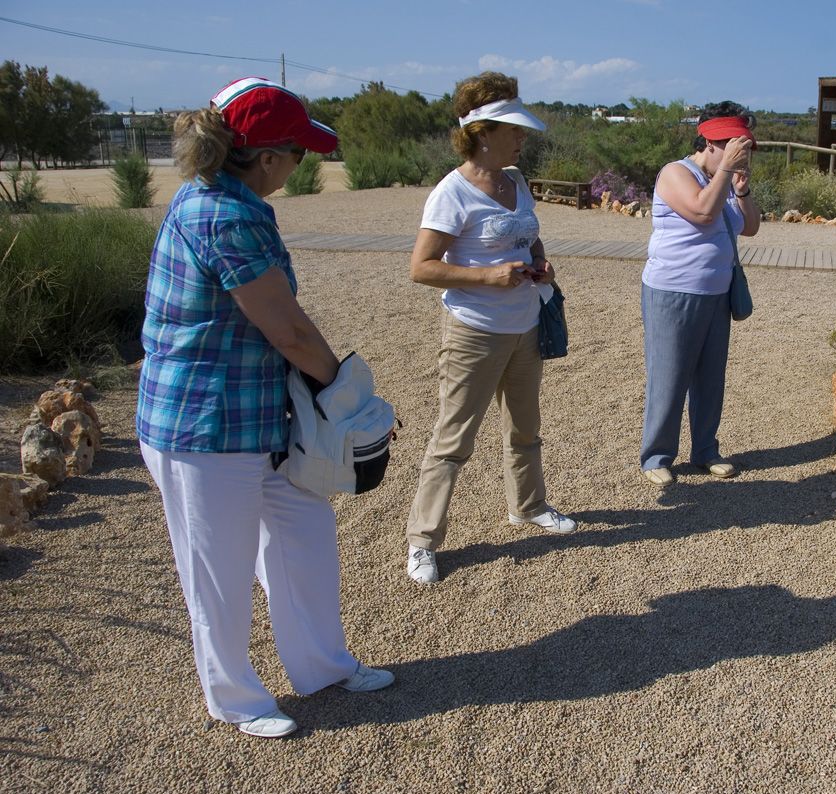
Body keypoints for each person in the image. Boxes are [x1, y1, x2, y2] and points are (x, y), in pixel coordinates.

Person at [137, 77, 393, 740]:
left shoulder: (226, 199)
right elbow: (289, 330)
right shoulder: (226, 213)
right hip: (202, 425)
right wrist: (355, 403)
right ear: (270, 157)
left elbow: (280, 331)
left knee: (303, 536)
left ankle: (323, 665)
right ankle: (234, 696)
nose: (300, 166)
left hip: (254, 418)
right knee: (216, 569)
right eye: (301, 154)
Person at [405, 72, 576, 584]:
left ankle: (527, 506)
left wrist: (540, 264)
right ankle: (422, 540)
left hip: (525, 327)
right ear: (481, 132)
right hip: (473, 332)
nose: (523, 137)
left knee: (524, 429)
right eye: (514, 129)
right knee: (453, 438)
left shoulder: (517, 181)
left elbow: (531, 239)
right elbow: (421, 267)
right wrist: (487, 275)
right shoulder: (450, 193)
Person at [639, 101, 761, 487]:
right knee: (670, 374)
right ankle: (656, 456)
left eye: (745, 147)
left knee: (711, 376)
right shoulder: (675, 173)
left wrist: (743, 190)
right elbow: (702, 212)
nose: (740, 155)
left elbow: (751, 227)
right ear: (710, 141)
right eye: (733, 146)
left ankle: (705, 450)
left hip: (716, 292)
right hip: (673, 291)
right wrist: (726, 173)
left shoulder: (724, 178)